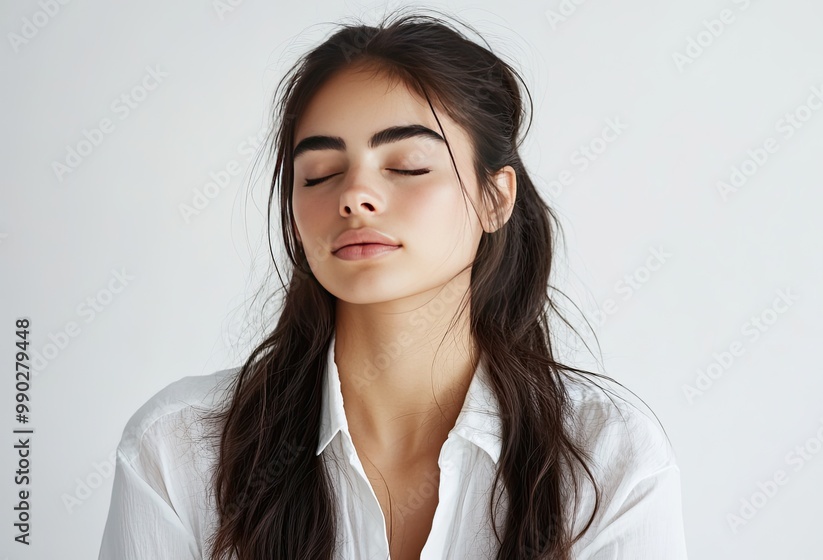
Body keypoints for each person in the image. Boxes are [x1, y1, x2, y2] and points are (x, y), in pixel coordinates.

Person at [97, 8, 688, 560]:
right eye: (320, 173)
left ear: (494, 197)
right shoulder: (180, 450)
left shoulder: (606, 457)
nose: (354, 195)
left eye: (407, 166)